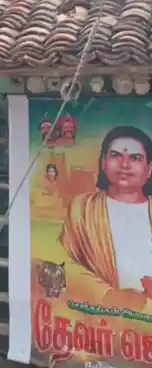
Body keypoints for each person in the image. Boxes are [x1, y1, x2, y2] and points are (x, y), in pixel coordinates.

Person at [60, 125, 152, 309]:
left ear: (149, 169)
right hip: (98, 321)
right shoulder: (82, 208)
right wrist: (106, 295)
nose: (124, 165)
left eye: (135, 158)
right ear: (103, 162)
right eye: (116, 155)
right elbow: (65, 263)